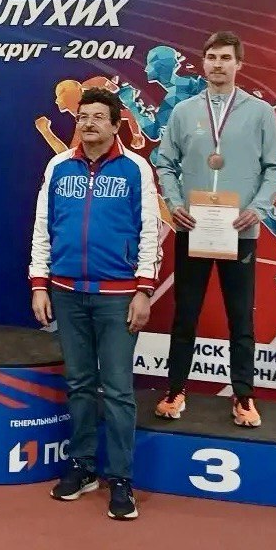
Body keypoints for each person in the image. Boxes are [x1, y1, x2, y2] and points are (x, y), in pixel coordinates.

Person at [30, 87, 160, 521]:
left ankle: (120, 478)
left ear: (115, 124)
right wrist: (39, 284)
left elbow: (149, 231)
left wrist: (144, 290)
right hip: (66, 292)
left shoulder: (136, 169)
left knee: (119, 390)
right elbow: (43, 227)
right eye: (83, 116)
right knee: (80, 384)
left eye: (98, 117)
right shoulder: (58, 166)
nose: (88, 123)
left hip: (118, 296)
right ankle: (83, 466)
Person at [154, 31, 276, 428]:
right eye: (212, 57)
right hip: (193, 227)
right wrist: (174, 204)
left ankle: (243, 396)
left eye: (226, 58)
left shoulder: (259, 112)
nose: (218, 64)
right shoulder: (184, 111)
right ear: (203, 62)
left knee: (240, 318)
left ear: (238, 64)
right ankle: (175, 390)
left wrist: (258, 209)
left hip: (239, 230)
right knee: (185, 315)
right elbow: (165, 163)